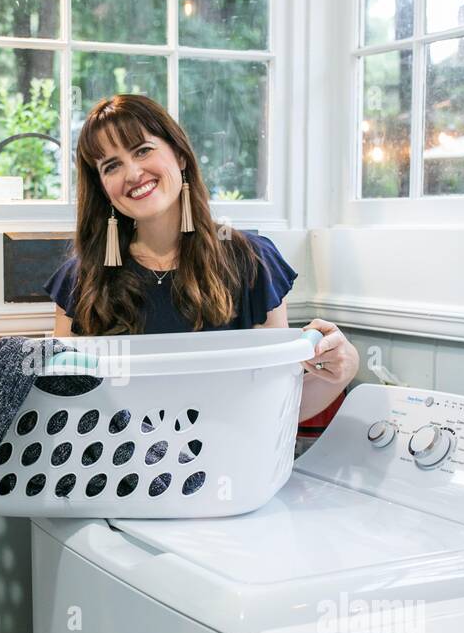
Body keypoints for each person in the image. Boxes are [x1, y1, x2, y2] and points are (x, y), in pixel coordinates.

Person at [45, 94, 358, 422]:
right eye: (112, 166)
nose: (133, 173)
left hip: (230, 466)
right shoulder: (80, 281)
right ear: (102, 187)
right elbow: (68, 411)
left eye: (142, 150)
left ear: (179, 155)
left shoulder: (251, 261)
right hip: (118, 470)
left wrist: (344, 369)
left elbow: (277, 409)